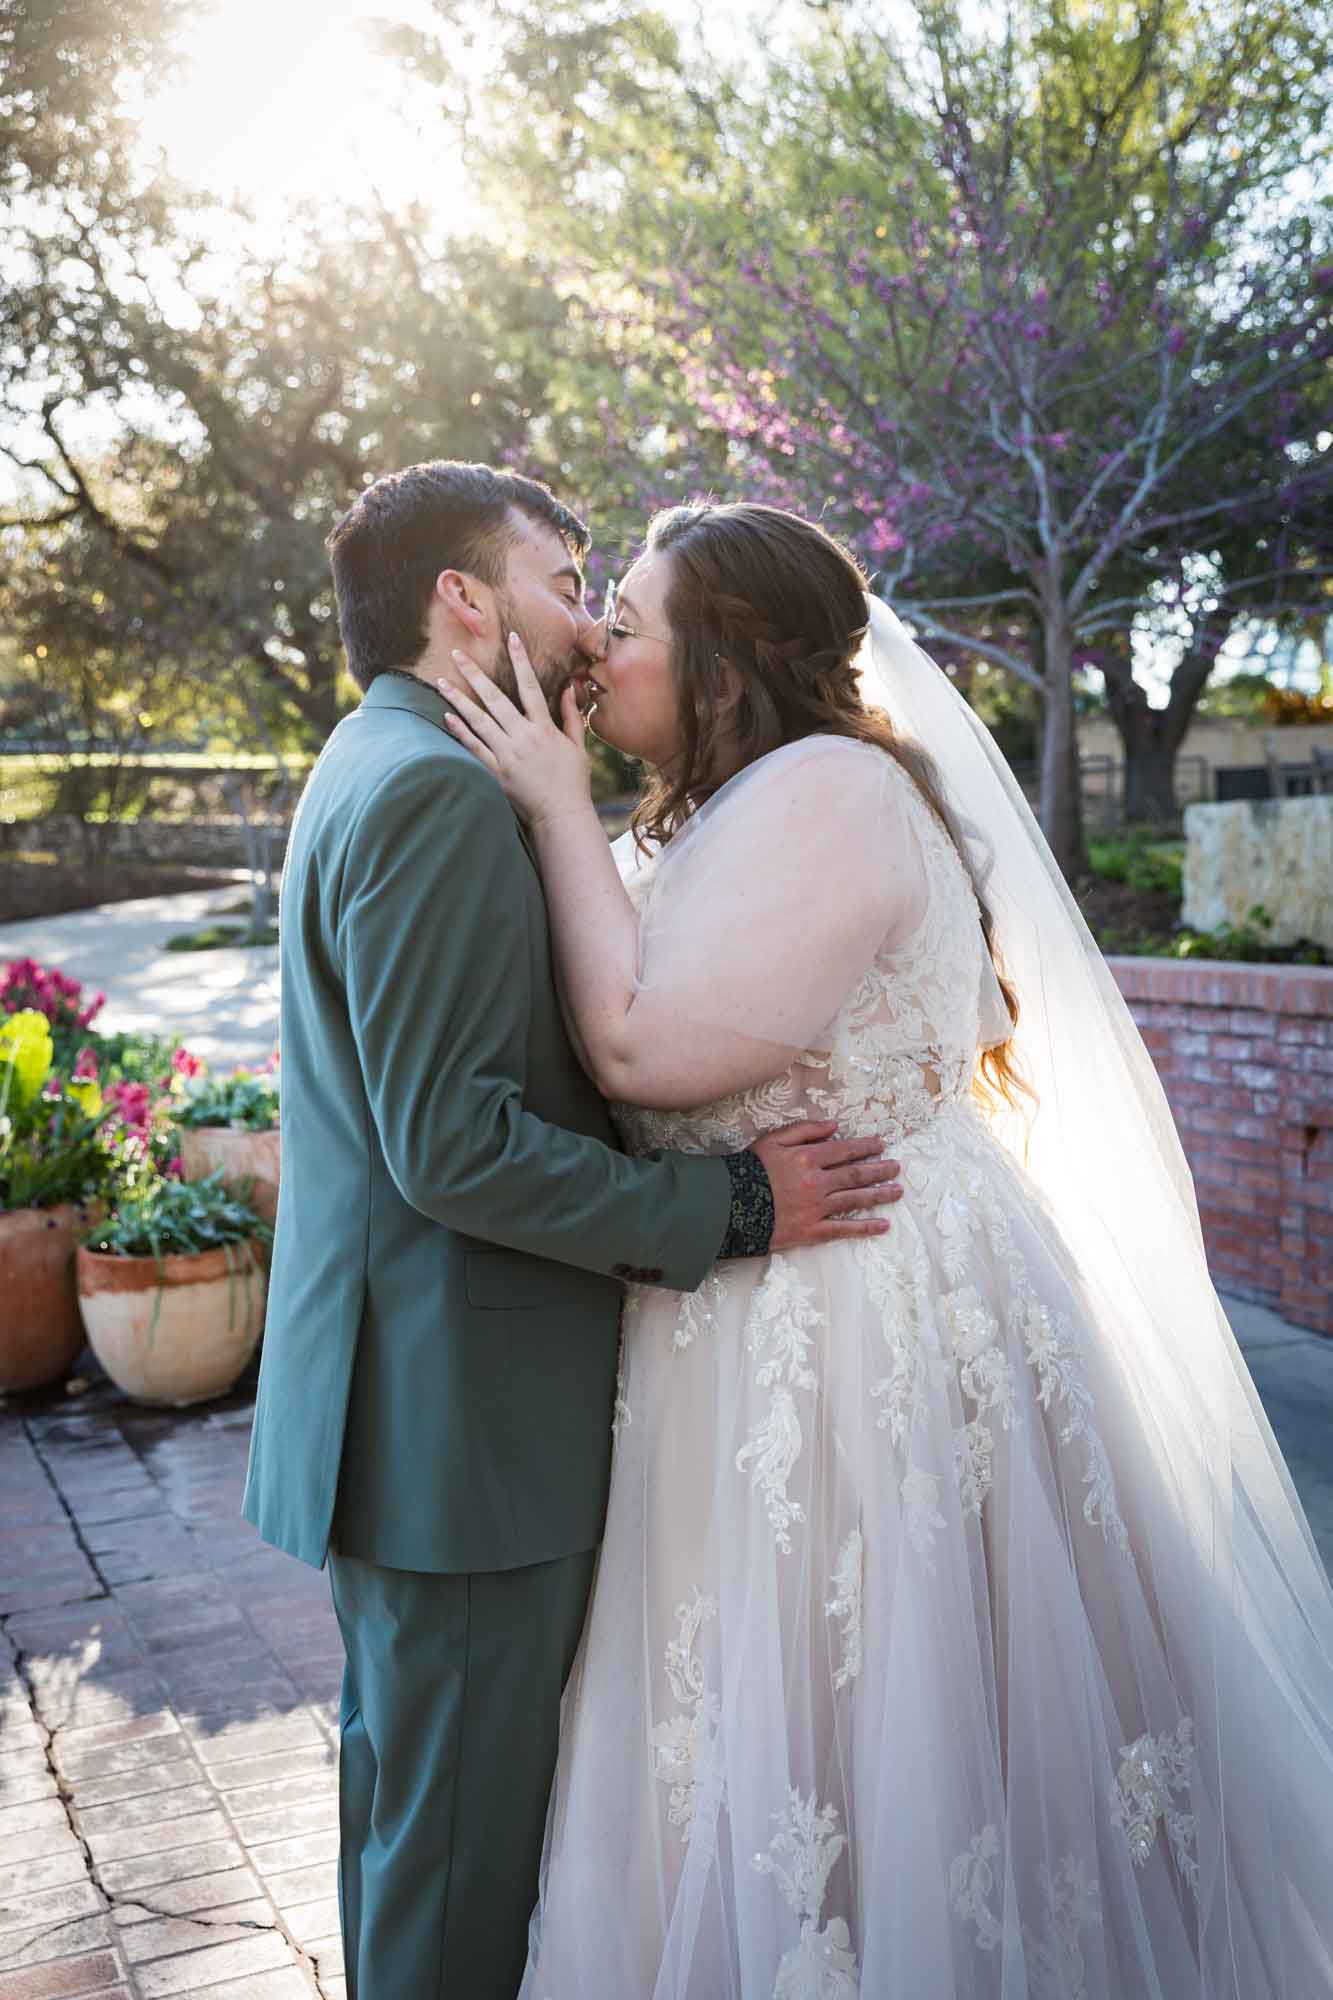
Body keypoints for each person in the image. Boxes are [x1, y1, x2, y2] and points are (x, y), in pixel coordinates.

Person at [444, 500, 1333, 1998]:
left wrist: (550, 805)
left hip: (861, 1305)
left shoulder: (824, 792)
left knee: (892, 1715)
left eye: (635, 623)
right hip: (764, 1298)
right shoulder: (750, 799)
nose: (599, 643)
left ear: (725, 666)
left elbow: (644, 1047)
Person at [241, 464, 905, 2000]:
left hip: (418, 1417)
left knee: (414, 1829)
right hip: (463, 1438)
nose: (591, 620)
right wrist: (733, 1203)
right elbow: (454, 1147)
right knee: (459, 1874)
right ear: (460, 602)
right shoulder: (434, 795)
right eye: (562, 579)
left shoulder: (378, 755)